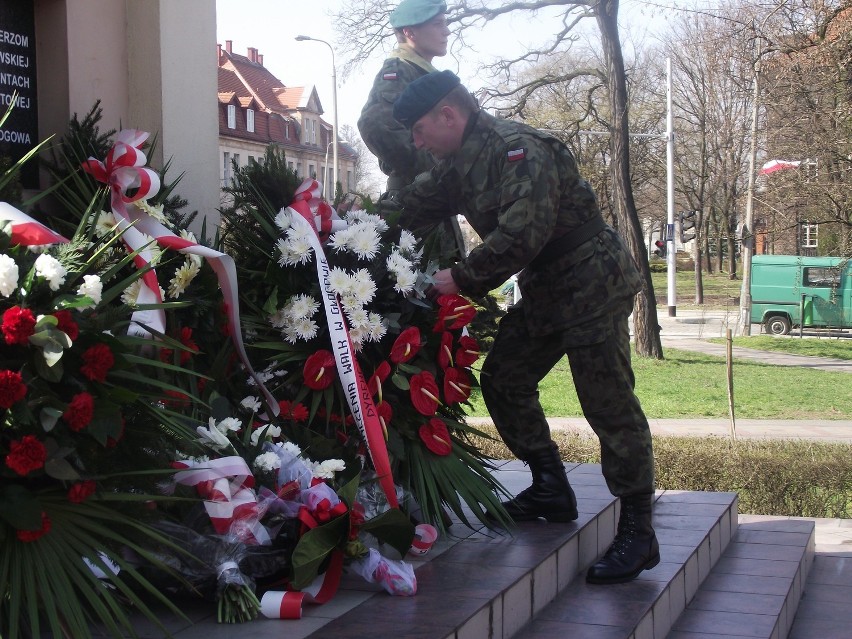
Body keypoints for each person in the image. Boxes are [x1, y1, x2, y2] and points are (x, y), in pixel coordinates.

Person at [390, 70, 659, 585]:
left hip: (591, 279)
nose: (416, 142)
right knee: (505, 378)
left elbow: (523, 231)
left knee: (608, 404)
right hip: (547, 288)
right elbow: (411, 203)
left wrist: (463, 277)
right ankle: (551, 485)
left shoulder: (520, 149)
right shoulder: (457, 162)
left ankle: (639, 531)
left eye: (420, 130)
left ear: (449, 115)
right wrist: (338, 223)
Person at [357, 0, 465, 262]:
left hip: (429, 202)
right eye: (437, 24)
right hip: (414, 203)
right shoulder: (398, 70)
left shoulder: (421, 72)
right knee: (423, 293)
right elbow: (376, 124)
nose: (446, 31)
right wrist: (435, 170)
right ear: (410, 32)